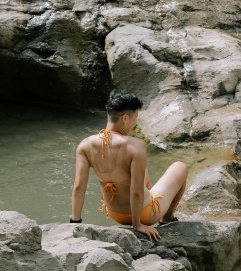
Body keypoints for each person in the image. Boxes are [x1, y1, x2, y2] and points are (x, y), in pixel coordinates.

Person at [70, 90, 188, 241]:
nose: (135, 123)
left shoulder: (85, 145)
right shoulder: (135, 146)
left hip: (114, 213)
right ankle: (166, 219)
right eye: (135, 118)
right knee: (180, 166)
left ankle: (154, 213)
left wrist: (75, 223)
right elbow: (136, 191)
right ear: (125, 118)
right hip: (144, 214)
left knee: (142, 171)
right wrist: (137, 225)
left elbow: (79, 186)